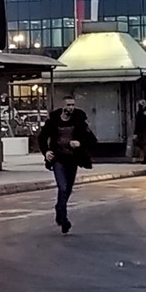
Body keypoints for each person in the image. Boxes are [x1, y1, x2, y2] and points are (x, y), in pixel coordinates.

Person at [36, 96, 95, 234]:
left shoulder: (79, 121)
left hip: (72, 160)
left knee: (68, 189)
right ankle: (64, 219)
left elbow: (92, 139)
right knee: (62, 187)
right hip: (58, 159)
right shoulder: (54, 121)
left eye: (73, 105)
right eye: (68, 105)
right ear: (62, 106)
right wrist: (46, 152)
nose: (71, 108)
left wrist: (80, 143)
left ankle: (59, 208)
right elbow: (42, 137)